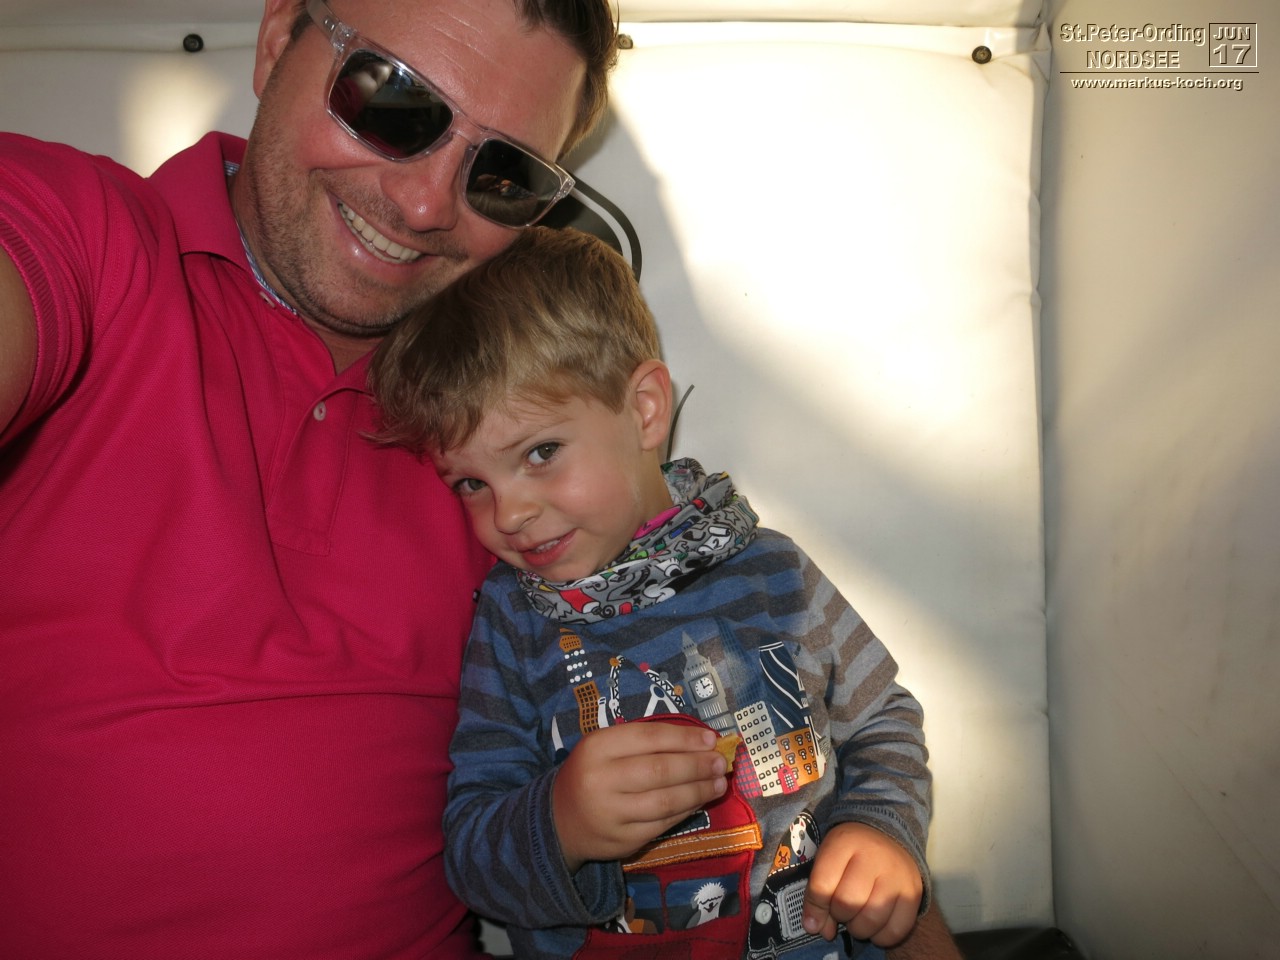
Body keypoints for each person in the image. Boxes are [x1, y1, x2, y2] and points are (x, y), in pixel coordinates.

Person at [0, 1, 617, 957]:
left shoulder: (512, 431)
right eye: (395, 103)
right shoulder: (86, 236)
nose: (426, 205)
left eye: (503, 175)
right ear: (278, 39)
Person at [370, 226, 961, 959]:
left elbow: (882, 719)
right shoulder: (510, 623)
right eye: (470, 483)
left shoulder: (775, 574)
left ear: (646, 410)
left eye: (541, 452)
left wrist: (879, 828)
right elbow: (472, 854)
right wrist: (561, 823)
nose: (509, 513)